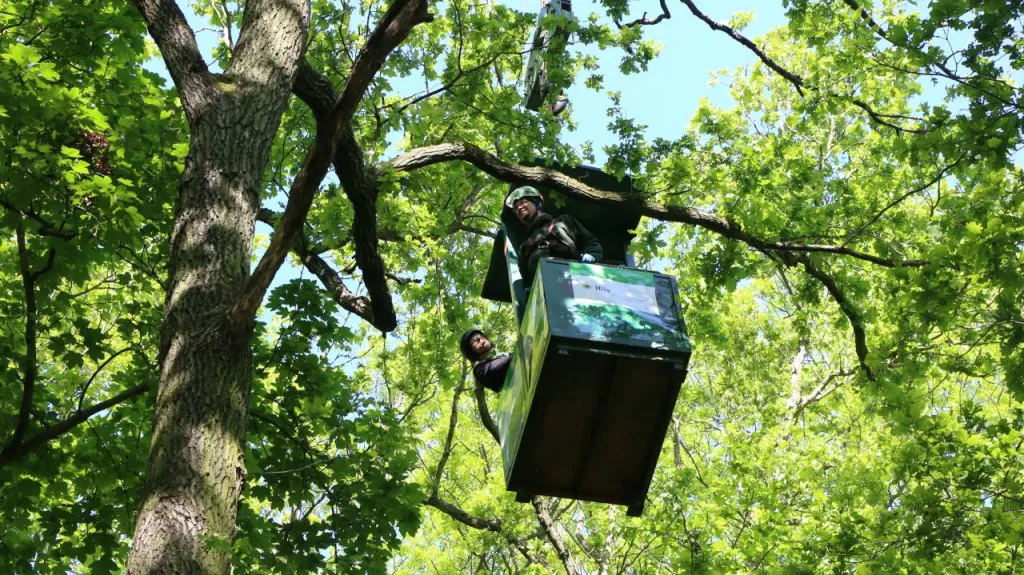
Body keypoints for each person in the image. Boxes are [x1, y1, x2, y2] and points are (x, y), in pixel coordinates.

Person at [505, 185, 603, 286]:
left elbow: (591, 243)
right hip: (545, 293)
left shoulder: (563, 222)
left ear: (537, 203)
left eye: (523, 202)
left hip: (576, 283)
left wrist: (592, 255)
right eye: (516, 207)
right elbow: (527, 283)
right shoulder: (525, 248)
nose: (519, 208)